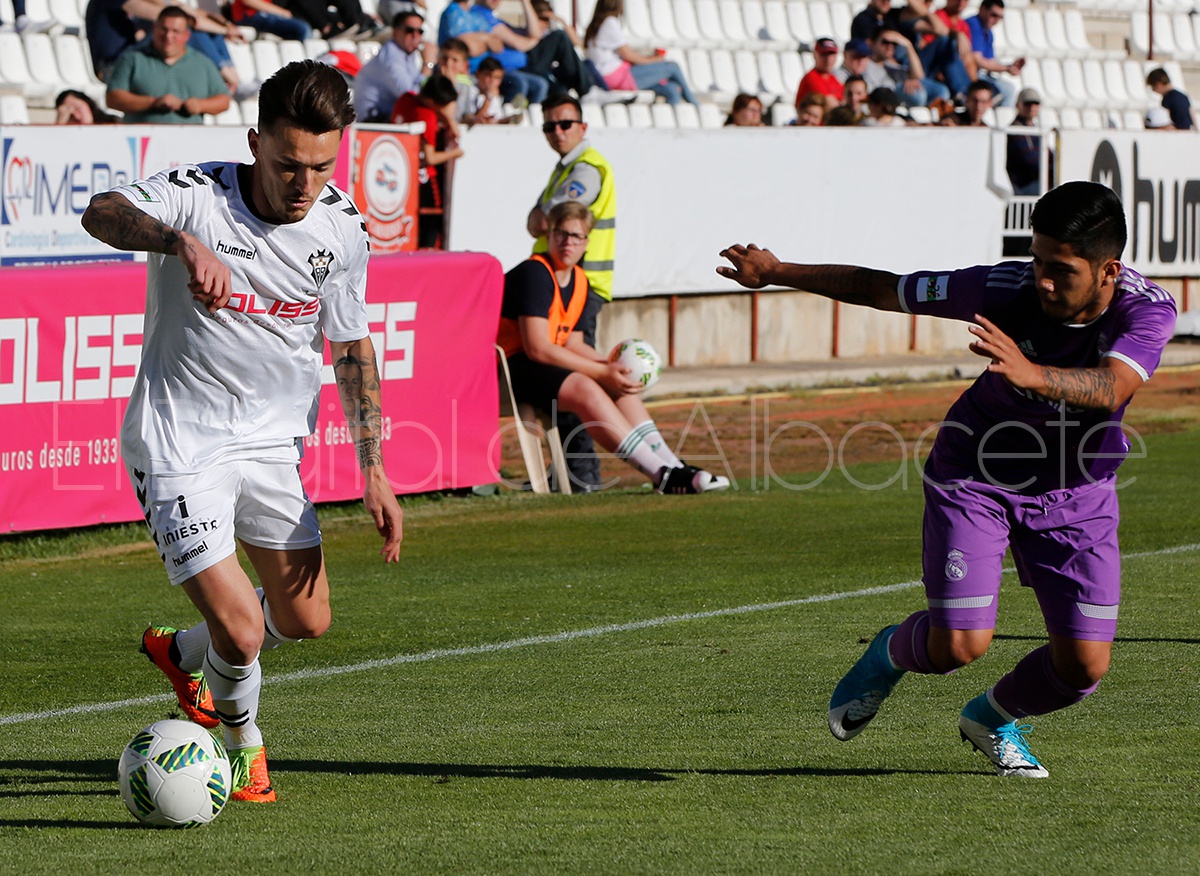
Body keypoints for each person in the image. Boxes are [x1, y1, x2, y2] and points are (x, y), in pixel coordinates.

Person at [717, 180, 1178, 778]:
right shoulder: (1001, 287)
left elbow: (1112, 388)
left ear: (1108, 270)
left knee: (1084, 667)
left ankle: (991, 718)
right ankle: (889, 651)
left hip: (1077, 488)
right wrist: (779, 270)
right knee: (960, 646)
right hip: (976, 473)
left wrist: (1031, 373)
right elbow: (886, 289)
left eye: (1060, 270)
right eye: (1036, 260)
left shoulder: (1146, 310)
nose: (1040, 279)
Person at [81, 60, 404, 802]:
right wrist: (177, 243)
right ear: (255, 142)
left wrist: (373, 467)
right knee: (245, 630)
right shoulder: (197, 197)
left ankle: (183, 652)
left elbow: (351, 346)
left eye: (321, 166)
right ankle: (241, 747)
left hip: (271, 447)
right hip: (179, 443)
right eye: (289, 163)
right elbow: (99, 212)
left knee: (306, 618)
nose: (304, 183)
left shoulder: (342, 228)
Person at [503, 202, 729, 495]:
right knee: (587, 386)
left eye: (576, 236)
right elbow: (537, 348)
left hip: (542, 365)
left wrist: (614, 370)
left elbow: (573, 343)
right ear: (549, 235)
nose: (568, 242)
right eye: (561, 233)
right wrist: (600, 370)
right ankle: (661, 474)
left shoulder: (580, 281)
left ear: (587, 242)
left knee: (615, 384)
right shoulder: (534, 272)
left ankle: (673, 466)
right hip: (507, 367)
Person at [526, 93, 615, 491]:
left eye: (564, 124)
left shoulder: (586, 169)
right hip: (566, 284)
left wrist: (544, 219)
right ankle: (573, 470)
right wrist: (542, 219)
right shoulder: (566, 169)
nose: (557, 132)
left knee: (571, 381)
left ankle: (582, 474)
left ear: (582, 127)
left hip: (577, 286)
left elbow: (549, 218)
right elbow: (536, 222)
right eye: (549, 125)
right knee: (564, 380)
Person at [105, 6, 231, 124]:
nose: (168, 36)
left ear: (187, 35)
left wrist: (200, 105)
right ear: (154, 29)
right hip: (142, 143)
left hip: (191, 141)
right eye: (163, 29)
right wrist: (153, 102)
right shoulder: (132, 59)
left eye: (175, 31)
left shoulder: (203, 63)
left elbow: (224, 100)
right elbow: (113, 98)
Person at [392, 73, 464, 248]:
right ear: (433, 103)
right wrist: (454, 154)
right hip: (424, 179)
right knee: (431, 224)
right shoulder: (427, 116)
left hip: (401, 173)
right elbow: (430, 157)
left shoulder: (405, 99)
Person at [584, 0, 697, 105]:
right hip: (618, 77)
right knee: (673, 67)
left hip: (610, 76)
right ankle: (695, 104)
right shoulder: (610, 23)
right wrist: (654, 60)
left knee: (672, 89)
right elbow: (628, 55)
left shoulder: (596, 25)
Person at [353, 9, 429, 121]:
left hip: (388, 115)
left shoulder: (407, 54)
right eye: (409, 30)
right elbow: (410, 96)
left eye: (420, 31)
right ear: (395, 32)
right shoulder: (391, 58)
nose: (415, 35)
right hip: (373, 119)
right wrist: (428, 64)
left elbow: (418, 84)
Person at [966, 0, 1024, 107]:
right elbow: (977, 60)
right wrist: (1006, 68)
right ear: (982, 9)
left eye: (1000, 17)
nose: (997, 20)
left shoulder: (988, 32)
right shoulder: (973, 25)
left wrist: (1010, 67)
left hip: (977, 74)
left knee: (1007, 89)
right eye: (994, 15)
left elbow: (990, 62)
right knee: (1006, 91)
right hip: (967, 75)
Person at [1006, 86, 1044, 195]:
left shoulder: (1036, 129)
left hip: (1032, 182)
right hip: (1021, 186)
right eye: (1027, 104)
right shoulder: (1014, 130)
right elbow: (1029, 160)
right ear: (1018, 105)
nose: (1032, 107)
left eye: (1035, 104)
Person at [795, 38, 843, 112]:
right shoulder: (811, 77)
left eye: (832, 54)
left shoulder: (833, 78)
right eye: (824, 54)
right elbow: (830, 105)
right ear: (815, 55)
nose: (828, 58)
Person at [228, 0, 312, 41]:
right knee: (303, 29)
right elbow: (249, 1)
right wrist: (282, 12)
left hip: (261, 13)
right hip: (248, 15)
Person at [55, 89, 121, 124]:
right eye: (70, 115)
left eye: (76, 108)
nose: (76, 115)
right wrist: (60, 123)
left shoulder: (114, 123)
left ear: (87, 104)